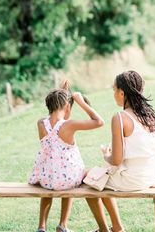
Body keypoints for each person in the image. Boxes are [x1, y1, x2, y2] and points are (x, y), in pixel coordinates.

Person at [86, 70, 155, 232]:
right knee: (101, 176)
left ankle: (107, 229)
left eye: (114, 90)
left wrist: (106, 154)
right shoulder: (153, 116)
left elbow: (116, 160)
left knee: (89, 179)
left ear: (122, 93)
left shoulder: (120, 117)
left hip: (132, 179)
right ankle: (116, 227)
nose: (113, 94)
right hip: (152, 175)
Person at [29, 80, 104, 232]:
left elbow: (56, 114)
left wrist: (62, 93)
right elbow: (99, 121)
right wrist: (80, 101)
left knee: (54, 174)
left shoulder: (41, 123)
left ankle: (41, 227)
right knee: (68, 176)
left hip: (46, 179)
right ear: (67, 106)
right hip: (68, 179)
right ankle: (62, 225)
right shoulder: (68, 125)